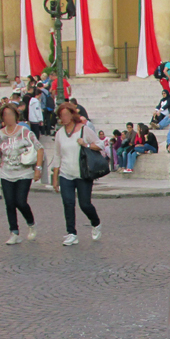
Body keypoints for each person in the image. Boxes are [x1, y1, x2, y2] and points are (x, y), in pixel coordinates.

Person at [0, 103, 44, 244]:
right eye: (5, 115)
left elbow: (39, 148)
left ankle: (31, 223)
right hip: (6, 173)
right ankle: (14, 232)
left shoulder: (25, 132)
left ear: (16, 116)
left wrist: (38, 168)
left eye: (11, 114)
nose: (8, 117)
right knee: (9, 203)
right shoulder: (0, 135)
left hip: (24, 172)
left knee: (20, 201)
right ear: (2, 118)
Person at [51, 102, 105, 246]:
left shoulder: (84, 130)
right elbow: (57, 156)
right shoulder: (59, 134)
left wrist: (86, 144)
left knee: (85, 204)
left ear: (72, 115)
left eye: (67, 114)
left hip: (83, 174)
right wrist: (55, 178)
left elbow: (100, 145)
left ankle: (96, 222)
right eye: (62, 115)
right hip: (66, 173)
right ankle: (71, 233)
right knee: (68, 203)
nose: (64, 117)